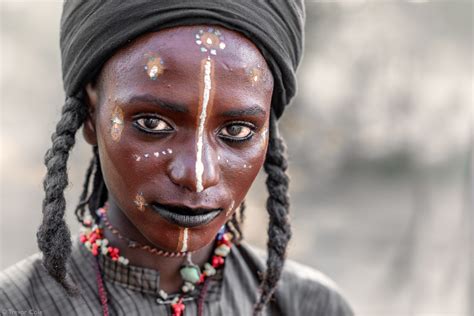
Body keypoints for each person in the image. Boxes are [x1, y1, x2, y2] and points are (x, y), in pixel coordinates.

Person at [0, 1, 353, 315]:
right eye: (152, 123)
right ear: (91, 115)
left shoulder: (311, 305)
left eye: (237, 131)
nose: (197, 174)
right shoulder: (16, 305)